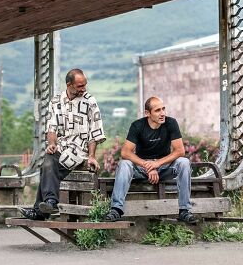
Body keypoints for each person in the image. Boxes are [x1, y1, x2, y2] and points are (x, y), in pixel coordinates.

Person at [18, 68, 106, 220]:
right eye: (80, 86)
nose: (83, 88)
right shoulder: (56, 101)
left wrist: (91, 156)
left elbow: (95, 131)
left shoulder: (90, 101)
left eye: (85, 85)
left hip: (79, 150)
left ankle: (47, 205)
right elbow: (51, 127)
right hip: (62, 148)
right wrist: (52, 144)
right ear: (69, 84)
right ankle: (47, 205)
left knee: (47, 164)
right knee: (48, 159)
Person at [104, 96, 197, 224]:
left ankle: (184, 210)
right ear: (148, 113)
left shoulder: (171, 123)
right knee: (124, 164)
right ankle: (116, 209)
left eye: (163, 109)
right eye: (158, 110)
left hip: (164, 167)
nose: (163, 113)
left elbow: (180, 151)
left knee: (184, 162)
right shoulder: (137, 126)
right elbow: (125, 152)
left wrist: (157, 164)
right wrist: (148, 166)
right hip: (142, 168)